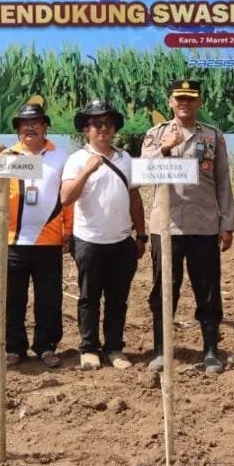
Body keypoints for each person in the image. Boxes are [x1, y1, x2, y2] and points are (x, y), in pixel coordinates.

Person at [141, 80, 234, 375]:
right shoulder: (156, 134)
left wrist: (227, 224)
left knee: (207, 290)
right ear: (170, 101)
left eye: (190, 98)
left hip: (204, 225)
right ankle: (161, 350)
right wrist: (165, 149)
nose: (185, 103)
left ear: (199, 102)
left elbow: (223, 181)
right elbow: (143, 172)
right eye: (179, 98)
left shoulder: (212, 136)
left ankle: (211, 351)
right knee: (164, 289)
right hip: (166, 226)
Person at [60, 99, 147, 370]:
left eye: (109, 123)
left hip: (121, 241)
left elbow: (135, 198)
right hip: (89, 241)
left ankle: (114, 347)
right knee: (89, 297)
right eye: (96, 123)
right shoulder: (76, 160)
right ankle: (89, 348)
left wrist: (141, 234)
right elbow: (66, 197)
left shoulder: (125, 159)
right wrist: (88, 170)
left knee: (117, 299)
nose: (104, 128)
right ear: (86, 129)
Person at [0, 102, 72, 369]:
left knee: (49, 299)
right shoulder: (9, 156)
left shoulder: (60, 157)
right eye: (24, 124)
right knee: (11, 298)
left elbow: (67, 199)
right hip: (12, 241)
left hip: (49, 241)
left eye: (35, 122)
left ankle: (46, 347)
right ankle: (14, 348)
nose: (30, 128)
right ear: (18, 130)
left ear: (45, 126)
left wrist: (68, 231)